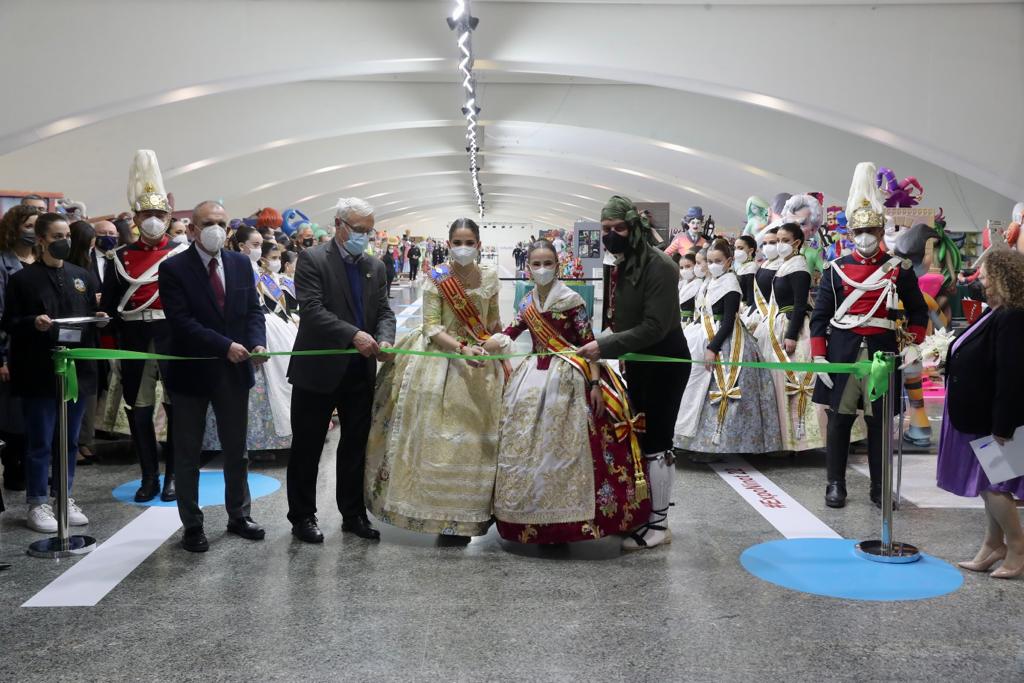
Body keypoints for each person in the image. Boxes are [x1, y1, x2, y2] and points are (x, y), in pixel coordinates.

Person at [491, 240, 650, 543]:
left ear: (557, 266)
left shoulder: (572, 299)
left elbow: (589, 344)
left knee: (565, 446)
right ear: (527, 268)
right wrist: (486, 343)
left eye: (547, 263)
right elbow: (511, 331)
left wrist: (594, 384)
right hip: (532, 376)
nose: (541, 269)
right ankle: (528, 516)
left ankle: (572, 519)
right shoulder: (526, 303)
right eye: (535, 264)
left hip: (569, 377)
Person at [365, 217, 501, 540]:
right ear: (449, 243)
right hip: (440, 360)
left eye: (470, 242)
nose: (463, 248)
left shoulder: (491, 277)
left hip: (481, 360)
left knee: (476, 438)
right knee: (436, 433)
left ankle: (469, 512)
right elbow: (432, 326)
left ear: (479, 246)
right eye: (458, 242)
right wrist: (461, 349)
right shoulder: (436, 278)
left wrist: (497, 343)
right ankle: (435, 514)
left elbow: (493, 322)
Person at [811, 162, 928, 508]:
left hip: (882, 352)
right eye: (859, 234)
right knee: (840, 423)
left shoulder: (898, 269)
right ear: (850, 236)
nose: (865, 239)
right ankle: (836, 484)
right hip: (843, 354)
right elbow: (820, 316)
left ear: (880, 233)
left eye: (872, 233)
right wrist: (820, 356)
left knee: (879, 427)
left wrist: (913, 346)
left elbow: (918, 312)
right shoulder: (836, 270)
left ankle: (879, 488)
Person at [576, 196, 689, 551]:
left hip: (664, 361)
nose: (611, 236)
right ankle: (648, 513)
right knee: (642, 437)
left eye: (618, 229)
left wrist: (605, 347)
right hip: (639, 361)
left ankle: (658, 526)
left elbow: (655, 326)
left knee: (657, 442)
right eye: (606, 230)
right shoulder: (625, 263)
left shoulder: (659, 266)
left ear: (634, 228)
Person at [158, 200, 268, 553]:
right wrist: (225, 345)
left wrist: (257, 343)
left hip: (233, 373)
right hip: (191, 372)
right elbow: (181, 320)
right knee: (188, 453)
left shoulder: (239, 264)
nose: (215, 229)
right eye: (208, 222)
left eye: (221, 222)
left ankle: (239, 515)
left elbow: (253, 309)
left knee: (237, 450)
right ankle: (192, 525)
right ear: (192, 228)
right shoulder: (174, 268)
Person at [287, 197, 395, 544]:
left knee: (354, 447)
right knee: (308, 446)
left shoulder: (374, 267)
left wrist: (385, 339)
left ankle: (353, 514)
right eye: (358, 229)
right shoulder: (313, 259)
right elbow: (313, 310)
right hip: (317, 370)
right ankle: (303, 516)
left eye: (369, 230)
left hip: (357, 373)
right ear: (339, 225)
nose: (364, 236)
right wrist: (353, 335)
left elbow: (384, 312)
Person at [2, 213, 107, 532]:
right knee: (41, 439)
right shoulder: (23, 280)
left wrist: (97, 318)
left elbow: (87, 315)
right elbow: (9, 322)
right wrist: (33, 323)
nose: (64, 241)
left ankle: (64, 494)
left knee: (70, 439)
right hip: (39, 370)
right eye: (57, 235)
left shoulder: (82, 276)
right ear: (42, 239)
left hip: (77, 369)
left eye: (67, 235)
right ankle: (37, 501)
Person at [101, 151, 187, 503]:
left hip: (172, 336)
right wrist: (109, 348)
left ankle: (175, 476)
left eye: (159, 214)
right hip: (134, 337)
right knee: (139, 409)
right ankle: (149, 475)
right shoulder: (119, 257)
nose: (153, 220)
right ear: (135, 217)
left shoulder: (181, 254)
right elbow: (109, 307)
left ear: (168, 217)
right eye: (146, 214)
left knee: (176, 406)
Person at [936, 249, 1024, 579]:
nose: (980, 281)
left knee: (996, 486)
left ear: (1002, 276)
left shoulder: (1013, 316)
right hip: (979, 414)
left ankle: (1017, 548)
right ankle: (992, 545)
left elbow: (1011, 374)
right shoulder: (998, 312)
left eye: (985, 275)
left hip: (995, 419)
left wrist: (1003, 424)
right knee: (989, 484)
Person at [675, 238, 782, 459]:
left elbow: (728, 321)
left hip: (727, 341)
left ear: (728, 261)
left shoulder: (730, 284)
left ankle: (719, 445)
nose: (713, 265)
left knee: (723, 389)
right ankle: (691, 440)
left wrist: (712, 348)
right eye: (710, 261)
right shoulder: (709, 282)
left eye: (718, 261)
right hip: (704, 333)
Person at [203, 228, 294, 455]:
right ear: (241, 245)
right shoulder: (234, 266)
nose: (258, 248)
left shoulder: (256, 270)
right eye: (254, 244)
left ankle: (270, 440)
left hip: (262, 332)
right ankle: (247, 444)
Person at [753, 223, 823, 453]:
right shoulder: (785, 265)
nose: (780, 244)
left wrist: (791, 335)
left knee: (792, 383)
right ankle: (782, 439)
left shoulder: (799, 268)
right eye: (777, 239)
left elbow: (801, 305)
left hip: (794, 328)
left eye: (784, 240)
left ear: (797, 243)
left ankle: (799, 440)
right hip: (778, 323)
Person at [0, 205, 39, 491]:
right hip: (11, 345)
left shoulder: (43, 260)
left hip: (40, 347)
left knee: (37, 413)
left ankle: (33, 466)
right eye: (28, 225)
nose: (33, 232)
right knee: (13, 416)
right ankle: (14, 466)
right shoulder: (3, 263)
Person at [734, 235, 758, 311]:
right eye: (735, 248)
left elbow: (751, 295)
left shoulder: (752, 268)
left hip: (746, 309)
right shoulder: (741, 266)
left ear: (751, 250)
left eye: (740, 248)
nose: (737, 251)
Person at [678, 252, 702, 326]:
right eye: (681, 268)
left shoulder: (699, 283)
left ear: (695, 265)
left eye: (688, 266)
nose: (684, 270)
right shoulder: (682, 284)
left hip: (691, 322)